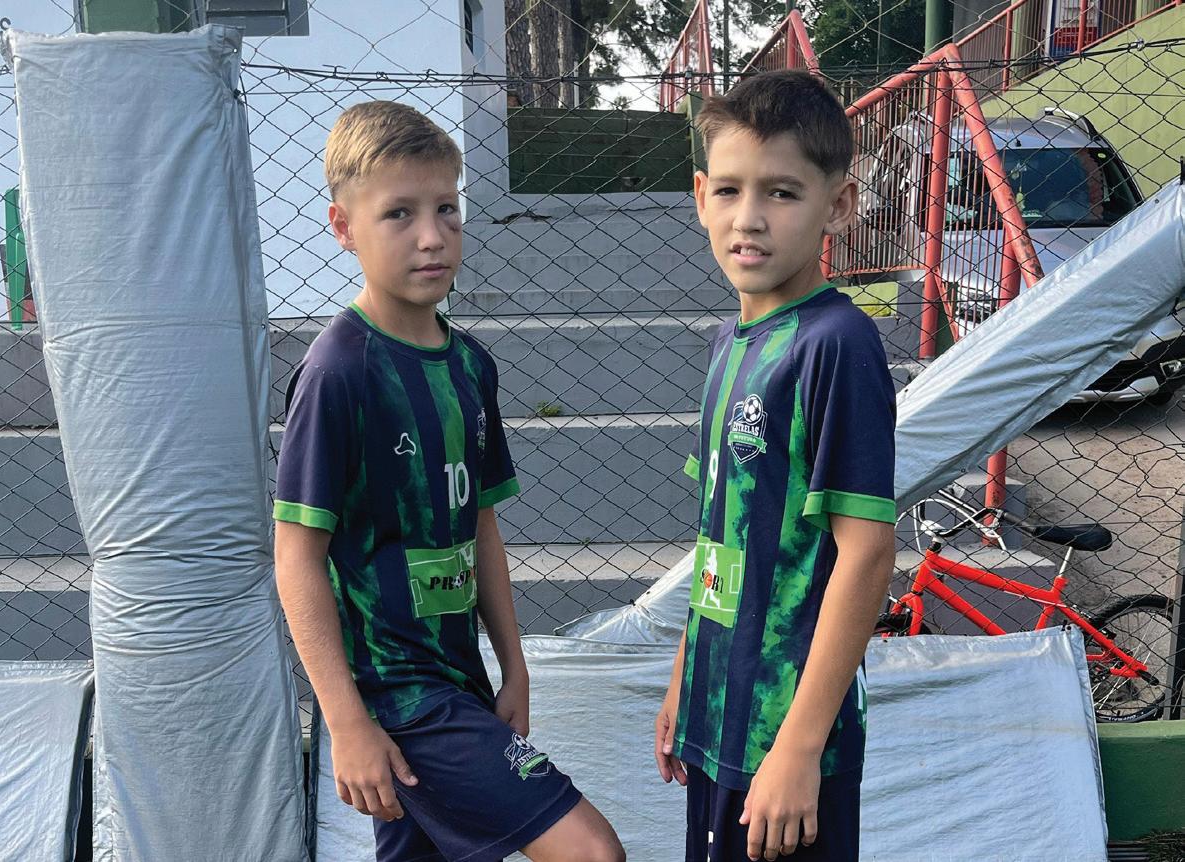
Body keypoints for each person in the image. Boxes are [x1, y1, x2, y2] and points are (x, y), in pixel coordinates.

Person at [273, 99, 624, 862]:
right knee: (592, 851)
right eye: (398, 214)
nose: (432, 236)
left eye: (446, 209)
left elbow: (481, 526)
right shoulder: (338, 372)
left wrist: (513, 667)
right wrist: (346, 722)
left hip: (460, 678)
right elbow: (296, 557)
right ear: (343, 227)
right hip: (402, 696)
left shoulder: (469, 365)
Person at [654, 71, 897, 862]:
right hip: (716, 718)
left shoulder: (836, 344)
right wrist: (686, 676)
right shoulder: (729, 345)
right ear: (700, 197)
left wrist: (797, 746)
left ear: (840, 204)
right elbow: (720, 535)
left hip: (785, 746)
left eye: (782, 193)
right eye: (728, 189)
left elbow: (866, 553)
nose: (748, 217)